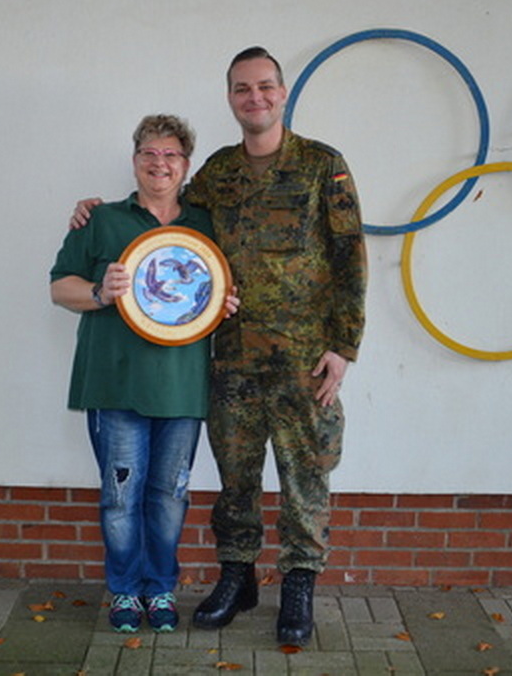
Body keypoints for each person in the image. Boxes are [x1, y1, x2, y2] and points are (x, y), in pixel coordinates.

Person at [69, 47, 366, 646]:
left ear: (282, 93)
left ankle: (299, 586)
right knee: (236, 478)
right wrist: (95, 210)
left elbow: (349, 254)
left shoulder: (322, 165)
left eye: (265, 86)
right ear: (230, 98)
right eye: (242, 89)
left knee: (305, 476)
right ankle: (237, 577)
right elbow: (167, 223)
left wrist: (345, 346)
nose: (255, 97)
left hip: (303, 357)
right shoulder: (218, 173)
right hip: (231, 357)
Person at [50, 114, 238, 634]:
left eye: (171, 154)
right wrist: (98, 292)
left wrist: (222, 305)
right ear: (134, 161)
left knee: (169, 498)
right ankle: (125, 592)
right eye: (149, 154)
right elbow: (59, 286)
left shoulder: (207, 225)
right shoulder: (101, 220)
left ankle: (160, 590)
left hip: (182, 387)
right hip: (115, 384)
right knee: (121, 497)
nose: (160, 163)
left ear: (186, 165)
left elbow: (222, 287)